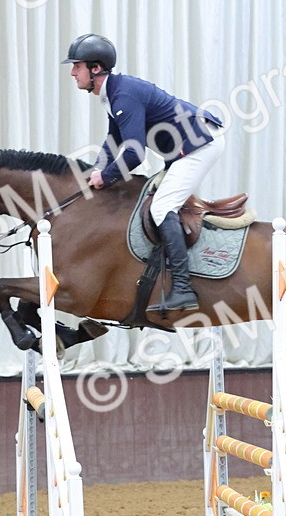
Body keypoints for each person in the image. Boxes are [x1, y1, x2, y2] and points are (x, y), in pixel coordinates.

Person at [62, 33, 224, 312]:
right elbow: (114, 140)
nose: (72, 73)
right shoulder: (113, 94)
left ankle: (183, 288)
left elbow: (135, 154)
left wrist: (106, 176)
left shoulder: (123, 95)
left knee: (161, 208)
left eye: (77, 66)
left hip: (200, 143)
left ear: (95, 68)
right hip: (186, 146)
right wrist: (97, 169)